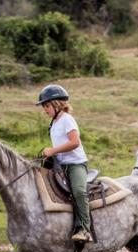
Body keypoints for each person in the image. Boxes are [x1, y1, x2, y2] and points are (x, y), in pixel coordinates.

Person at [36, 84, 93, 242]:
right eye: (44, 106)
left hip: (75, 164)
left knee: (79, 191)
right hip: (60, 165)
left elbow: (75, 143)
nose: (45, 110)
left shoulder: (67, 120)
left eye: (46, 106)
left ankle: (84, 229)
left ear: (56, 104)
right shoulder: (53, 122)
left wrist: (53, 151)